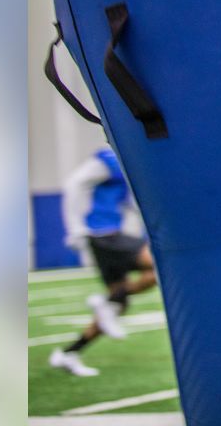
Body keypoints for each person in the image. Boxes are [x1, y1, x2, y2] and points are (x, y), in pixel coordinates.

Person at [49, 146, 158, 377]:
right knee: (158, 264)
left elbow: (130, 202)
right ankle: (106, 302)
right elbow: (74, 183)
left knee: (119, 305)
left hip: (110, 233)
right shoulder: (111, 158)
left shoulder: (131, 165)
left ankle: (69, 353)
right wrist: (75, 229)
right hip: (102, 234)